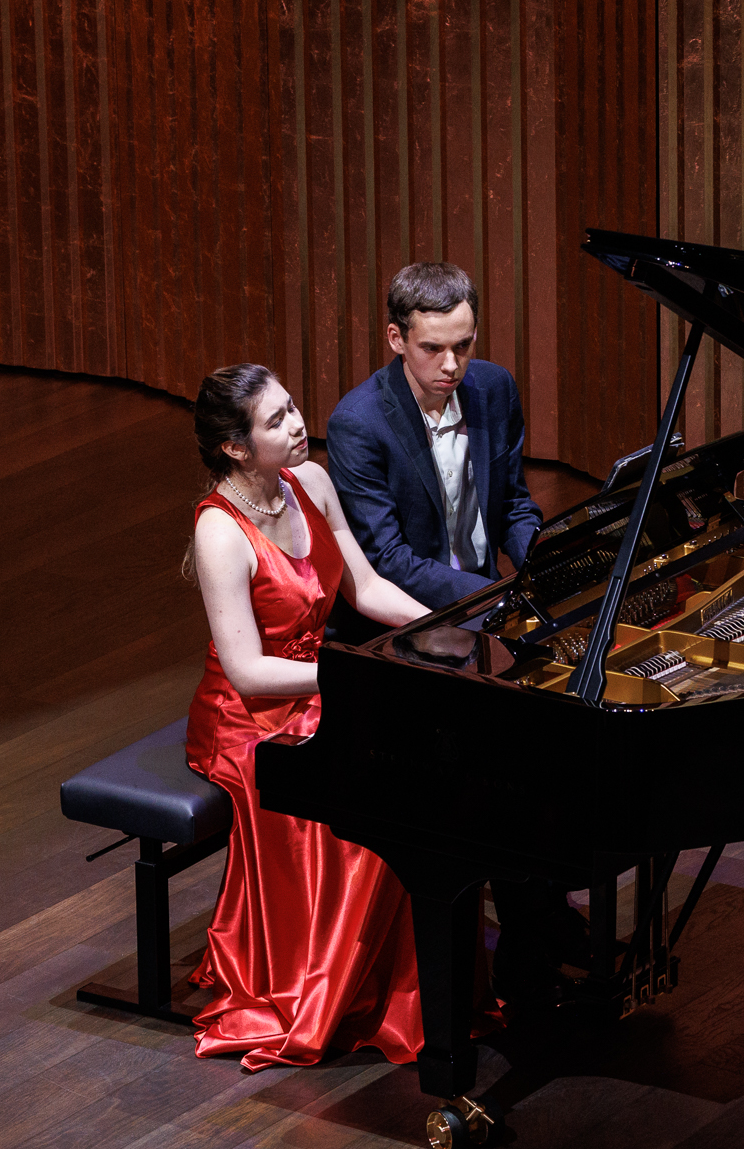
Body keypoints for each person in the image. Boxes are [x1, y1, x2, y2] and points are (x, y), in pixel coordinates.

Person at [183, 363, 432, 1069]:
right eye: (276, 420)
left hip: (321, 684)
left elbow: (369, 585)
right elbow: (247, 671)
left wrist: (455, 630)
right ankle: (333, 986)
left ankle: (393, 984)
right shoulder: (219, 532)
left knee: (414, 775)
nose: (298, 424)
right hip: (248, 719)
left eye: (293, 407)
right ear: (235, 446)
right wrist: (348, 673)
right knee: (360, 804)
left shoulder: (311, 483)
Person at [324, 262, 543, 613]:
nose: (451, 365)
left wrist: (542, 567)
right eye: (432, 349)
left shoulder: (495, 388)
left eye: (462, 345)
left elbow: (512, 505)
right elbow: (388, 558)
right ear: (396, 338)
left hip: (487, 594)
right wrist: (497, 598)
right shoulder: (358, 423)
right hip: (409, 616)